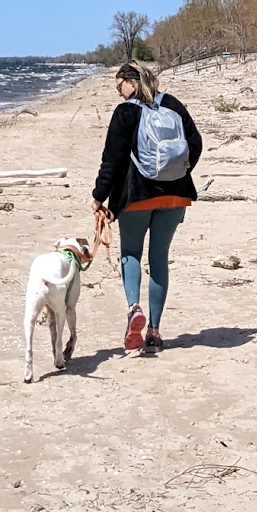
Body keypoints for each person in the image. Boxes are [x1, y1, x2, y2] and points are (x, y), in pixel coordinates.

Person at [92, 62, 202, 352]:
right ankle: (154, 330)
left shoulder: (126, 112)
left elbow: (112, 161)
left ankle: (134, 309)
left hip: (136, 197)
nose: (119, 93)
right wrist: (178, 174)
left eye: (119, 87)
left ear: (130, 81)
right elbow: (195, 143)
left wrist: (99, 197)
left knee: (130, 254)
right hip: (176, 196)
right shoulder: (173, 104)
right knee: (159, 259)